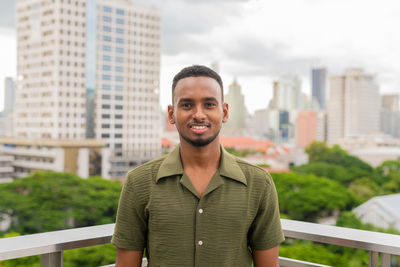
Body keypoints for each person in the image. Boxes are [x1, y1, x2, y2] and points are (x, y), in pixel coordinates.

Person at [111, 65, 284, 267]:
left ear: (225, 112)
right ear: (171, 114)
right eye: (187, 105)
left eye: (209, 104)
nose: (199, 114)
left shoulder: (259, 183)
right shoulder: (139, 182)